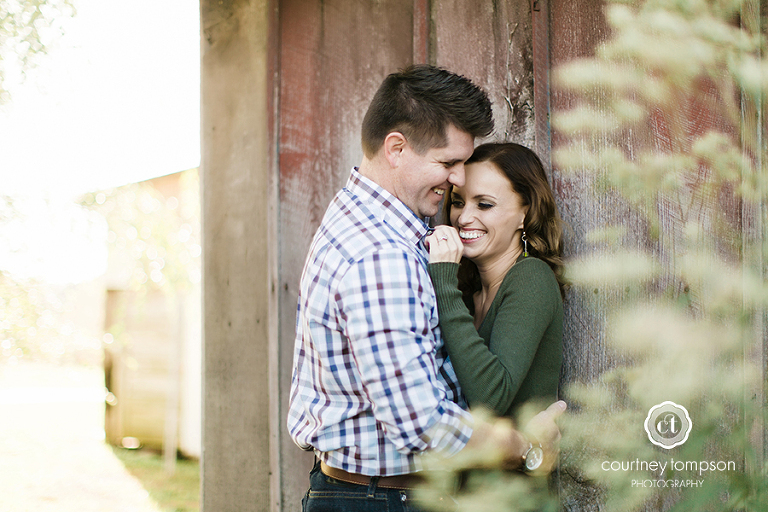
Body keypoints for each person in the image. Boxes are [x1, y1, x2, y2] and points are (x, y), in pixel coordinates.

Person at [287, 66, 566, 512]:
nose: (457, 179)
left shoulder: (364, 225)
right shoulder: (381, 254)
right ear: (396, 148)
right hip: (382, 498)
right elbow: (420, 421)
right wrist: (525, 448)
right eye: (447, 163)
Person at [426, 142, 565, 419]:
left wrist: (443, 283)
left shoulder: (531, 278)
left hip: (519, 461)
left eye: (485, 204)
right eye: (457, 202)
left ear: (525, 214)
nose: (464, 218)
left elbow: (491, 398)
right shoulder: (468, 291)